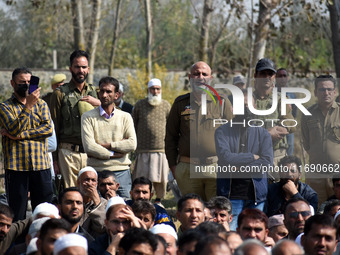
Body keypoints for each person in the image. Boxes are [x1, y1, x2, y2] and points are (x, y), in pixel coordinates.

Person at [165, 61, 233, 201]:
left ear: (210, 78)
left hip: (216, 167)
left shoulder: (222, 102)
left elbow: (234, 136)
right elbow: (170, 138)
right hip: (188, 168)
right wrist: (174, 167)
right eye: (196, 74)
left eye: (204, 74)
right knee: (192, 212)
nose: (200, 77)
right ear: (190, 78)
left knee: (215, 213)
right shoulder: (180, 103)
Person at [215, 88, 273, 230]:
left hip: (256, 196)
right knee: (231, 235)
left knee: (255, 235)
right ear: (233, 108)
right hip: (230, 194)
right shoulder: (222, 131)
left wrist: (238, 165)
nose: (247, 108)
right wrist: (252, 157)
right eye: (243, 105)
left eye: (250, 105)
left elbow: (266, 162)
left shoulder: (263, 133)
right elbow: (225, 157)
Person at [0, 67, 53, 221]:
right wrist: (28, 106)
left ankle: (42, 243)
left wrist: (20, 136)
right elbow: (14, 129)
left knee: (44, 212)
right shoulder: (5, 107)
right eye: (22, 82)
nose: (26, 85)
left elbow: (48, 129)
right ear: (12, 83)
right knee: (17, 214)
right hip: (17, 167)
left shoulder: (42, 104)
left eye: (29, 82)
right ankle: (17, 245)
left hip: (41, 165)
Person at [50, 50, 100, 188]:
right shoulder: (60, 94)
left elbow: (113, 114)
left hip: (92, 155)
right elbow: (53, 127)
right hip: (68, 154)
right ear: (70, 68)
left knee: (90, 195)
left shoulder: (96, 92)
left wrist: (99, 104)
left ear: (88, 69)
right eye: (77, 67)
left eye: (84, 67)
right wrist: (54, 160)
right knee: (71, 195)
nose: (81, 70)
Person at [81, 76, 136, 198]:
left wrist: (107, 146)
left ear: (117, 95)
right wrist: (112, 154)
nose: (104, 95)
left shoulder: (125, 117)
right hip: (96, 172)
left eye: (108, 91)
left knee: (124, 209)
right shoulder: (88, 117)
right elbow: (89, 147)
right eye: (102, 91)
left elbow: (132, 143)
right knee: (96, 211)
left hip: (121, 171)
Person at [301, 74, 340, 205]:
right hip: (316, 176)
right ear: (315, 92)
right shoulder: (307, 114)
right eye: (322, 89)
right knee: (317, 214)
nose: (326, 93)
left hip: (337, 175)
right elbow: (306, 143)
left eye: (330, 89)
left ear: (335, 92)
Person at [133, 78, 171, 203]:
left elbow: (171, 126)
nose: (155, 91)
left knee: (161, 179)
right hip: (143, 149)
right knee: (142, 178)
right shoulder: (139, 105)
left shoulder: (166, 105)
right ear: (148, 90)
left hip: (161, 149)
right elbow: (133, 124)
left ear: (161, 90)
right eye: (153, 89)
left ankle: (158, 201)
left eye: (157, 89)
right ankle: (142, 200)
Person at [252, 59, 295, 167]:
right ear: (255, 75)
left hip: (276, 157)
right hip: (252, 156)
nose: (267, 77)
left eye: (270, 74)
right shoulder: (246, 99)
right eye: (263, 74)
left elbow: (290, 124)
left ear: (274, 77)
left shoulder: (281, 99)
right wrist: (268, 134)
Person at [76, 167, 107, 238]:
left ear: (97, 184)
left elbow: (102, 227)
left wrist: (96, 201)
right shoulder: (73, 201)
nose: (90, 184)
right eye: (86, 180)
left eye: (93, 180)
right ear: (78, 182)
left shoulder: (105, 203)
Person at [275, 68, 297, 156]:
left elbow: (294, 112)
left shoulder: (292, 94)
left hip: (288, 127)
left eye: (284, 75)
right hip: (275, 126)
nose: (282, 78)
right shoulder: (271, 92)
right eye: (280, 76)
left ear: (287, 78)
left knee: (289, 149)